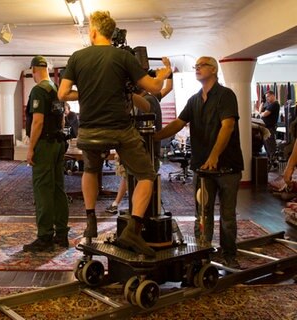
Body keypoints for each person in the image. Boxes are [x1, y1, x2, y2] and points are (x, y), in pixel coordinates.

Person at [58, 10, 171, 257]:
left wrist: (86, 93)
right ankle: (133, 229)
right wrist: (163, 75)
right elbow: (152, 88)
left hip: (89, 131)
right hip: (120, 130)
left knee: (90, 169)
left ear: (94, 31)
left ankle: (90, 220)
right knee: (146, 175)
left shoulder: (77, 57)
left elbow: (63, 94)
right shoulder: (122, 56)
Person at [154, 56, 244, 268]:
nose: (196, 68)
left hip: (228, 167)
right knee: (202, 214)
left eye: (201, 65)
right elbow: (178, 122)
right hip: (202, 168)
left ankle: (229, 254)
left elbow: (227, 126)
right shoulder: (194, 100)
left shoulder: (226, 95)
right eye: (195, 66)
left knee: (227, 216)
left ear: (213, 70)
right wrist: (156, 136)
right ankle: (202, 254)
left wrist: (214, 156)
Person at [24, 56, 70, 252]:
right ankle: (61, 233)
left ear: (34, 70)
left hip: (44, 144)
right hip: (59, 143)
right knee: (58, 189)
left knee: (42, 189)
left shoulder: (38, 90)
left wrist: (31, 148)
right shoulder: (56, 89)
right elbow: (61, 120)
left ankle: (44, 237)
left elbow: (38, 122)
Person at [260, 90, 280, 169]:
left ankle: (273, 164)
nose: (267, 98)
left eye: (268, 96)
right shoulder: (269, 105)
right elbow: (260, 111)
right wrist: (262, 102)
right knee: (267, 146)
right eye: (266, 97)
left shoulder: (275, 104)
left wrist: (262, 114)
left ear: (273, 95)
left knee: (271, 147)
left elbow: (264, 114)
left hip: (270, 128)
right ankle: (271, 163)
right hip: (266, 128)